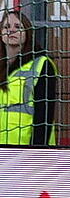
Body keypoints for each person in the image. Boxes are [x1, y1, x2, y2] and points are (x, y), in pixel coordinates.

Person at [0, 10, 57, 145]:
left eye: (18, 27)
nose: (11, 31)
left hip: (26, 150)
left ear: (27, 33)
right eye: (6, 27)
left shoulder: (42, 64)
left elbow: (44, 115)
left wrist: (36, 151)